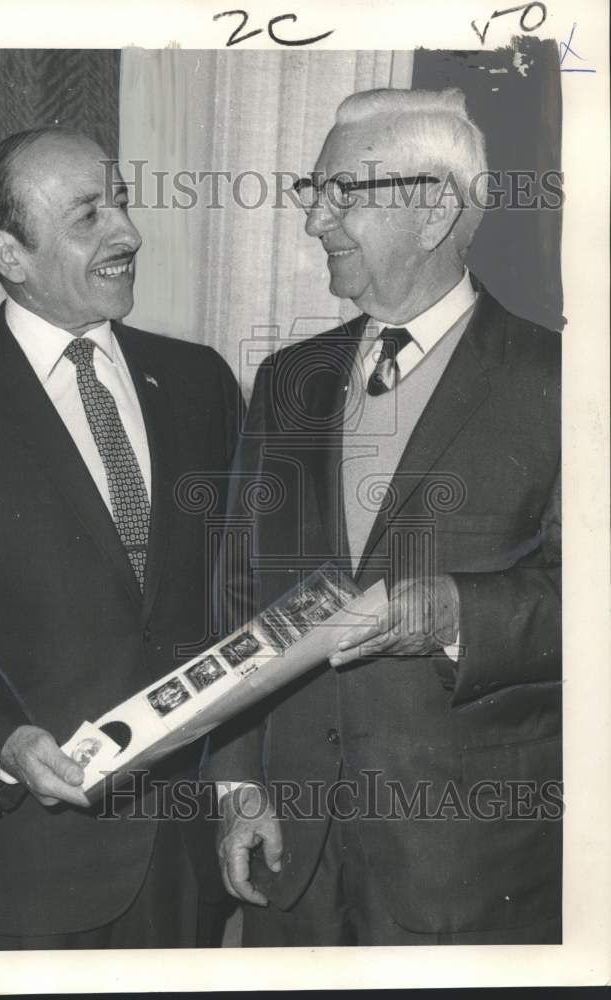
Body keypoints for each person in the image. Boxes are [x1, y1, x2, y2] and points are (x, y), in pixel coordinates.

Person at [0, 127, 241, 949]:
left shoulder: (198, 382)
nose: (128, 232)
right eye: (88, 216)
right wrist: (6, 742)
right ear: (10, 252)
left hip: (183, 863)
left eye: (120, 200)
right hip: (24, 866)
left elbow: (238, 605)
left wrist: (243, 788)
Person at [208, 87, 561, 946]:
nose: (314, 221)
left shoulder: (565, 380)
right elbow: (237, 599)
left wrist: (459, 614)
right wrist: (235, 784)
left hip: (469, 870)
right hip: (292, 864)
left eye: (342, 194)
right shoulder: (285, 381)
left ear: (434, 208)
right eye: (312, 192)